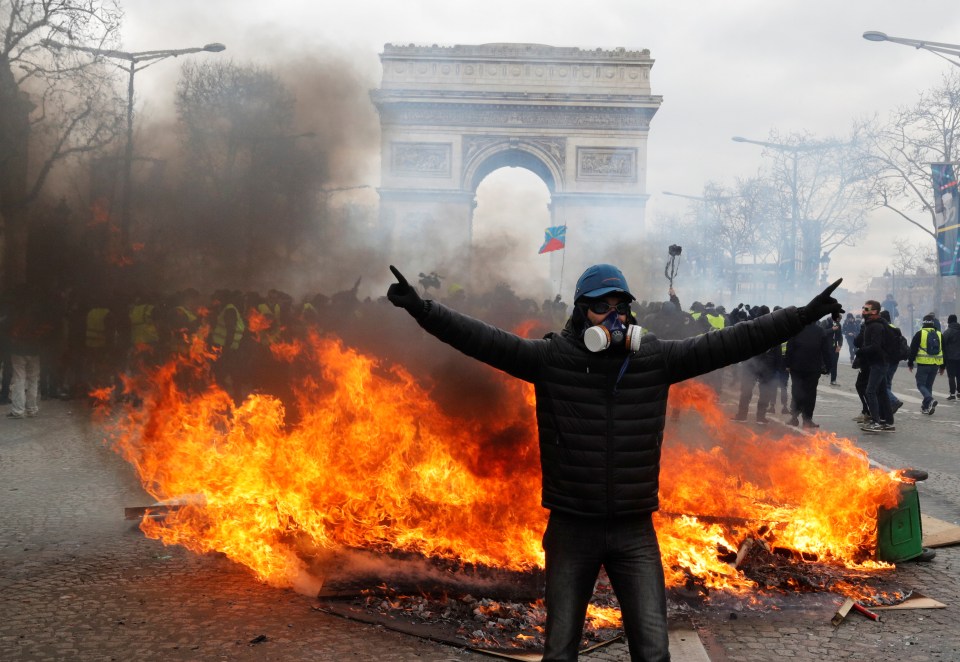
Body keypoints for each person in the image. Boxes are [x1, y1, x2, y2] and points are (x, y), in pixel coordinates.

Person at [387, 263, 843, 662]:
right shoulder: (550, 359)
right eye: (602, 307)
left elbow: (735, 341)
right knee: (560, 650)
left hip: (634, 533)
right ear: (581, 312)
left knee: (652, 651)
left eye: (621, 306)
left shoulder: (655, 359)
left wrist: (802, 315)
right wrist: (421, 308)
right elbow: (481, 339)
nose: (615, 316)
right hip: (571, 529)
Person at [784, 316, 832, 428]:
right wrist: (828, 366)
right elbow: (826, 350)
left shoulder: (796, 329)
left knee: (796, 391)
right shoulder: (821, 331)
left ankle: (794, 417)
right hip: (813, 368)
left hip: (797, 367)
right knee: (810, 393)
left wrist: (787, 364)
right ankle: (807, 419)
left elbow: (789, 347)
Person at [855, 300, 895, 433]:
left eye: (866, 309)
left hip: (878, 363)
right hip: (877, 362)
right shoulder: (872, 324)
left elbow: (876, 346)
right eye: (863, 308)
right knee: (882, 392)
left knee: (870, 391)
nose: (863, 311)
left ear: (874, 311)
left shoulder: (875, 326)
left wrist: (862, 351)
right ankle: (888, 422)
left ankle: (875, 422)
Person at [907, 314, 945, 415]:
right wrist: (942, 366)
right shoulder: (939, 334)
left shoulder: (920, 334)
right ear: (933, 323)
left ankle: (929, 399)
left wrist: (910, 363)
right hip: (936, 364)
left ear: (923, 323)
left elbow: (913, 349)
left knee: (920, 384)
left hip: (923, 364)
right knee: (929, 385)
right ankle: (925, 407)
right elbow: (944, 350)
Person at [943, 314, 960, 401]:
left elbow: (943, 344)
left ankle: (952, 394)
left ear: (949, 321)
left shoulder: (947, 332)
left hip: (951, 358)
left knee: (951, 376)